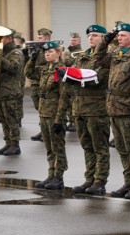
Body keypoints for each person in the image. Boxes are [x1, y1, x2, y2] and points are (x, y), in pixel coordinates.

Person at [93, 23, 130, 199]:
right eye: (118, 36)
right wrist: (106, 40)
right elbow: (98, 57)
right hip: (113, 107)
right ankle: (127, 183)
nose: (119, 38)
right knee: (121, 149)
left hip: (128, 109)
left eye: (123, 35)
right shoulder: (115, 54)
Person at [63, 25, 110, 195]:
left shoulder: (106, 57)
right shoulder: (82, 56)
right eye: (89, 35)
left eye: (96, 35)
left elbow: (99, 78)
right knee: (87, 147)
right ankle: (89, 179)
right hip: (80, 108)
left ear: (104, 38)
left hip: (97, 109)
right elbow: (74, 75)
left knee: (100, 148)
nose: (91, 38)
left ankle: (100, 181)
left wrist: (77, 76)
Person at [24, 41, 68, 189]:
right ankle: (51, 174)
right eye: (46, 52)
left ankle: (58, 177)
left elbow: (64, 97)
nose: (47, 54)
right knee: (49, 147)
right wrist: (32, 57)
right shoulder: (44, 69)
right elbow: (28, 73)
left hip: (55, 114)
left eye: (50, 52)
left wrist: (60, 119)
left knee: (57, 147)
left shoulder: (61, 71)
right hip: (44, 113)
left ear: (58, 53)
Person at [0, 33, 25, 156]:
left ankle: (15, 145)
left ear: (9, 39)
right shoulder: (3, 52)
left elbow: (14, 68)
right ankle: (8, 143)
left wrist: (0, 57)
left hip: (10, 92)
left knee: (12, 121)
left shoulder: (16, 53)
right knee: (3, 120)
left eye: (0, 38)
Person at [29, 27, 52, 141]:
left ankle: (47, 131)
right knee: (38, 107)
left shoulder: (50, 50)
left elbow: (47, 63)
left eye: (40, 37)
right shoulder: (36, 49)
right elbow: (29, 66)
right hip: (34, 82)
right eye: (37, 37)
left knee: (45, 109)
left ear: (47, 38)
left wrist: (39, 52)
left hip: (44, 82)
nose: (37, 39)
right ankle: (43, 129)